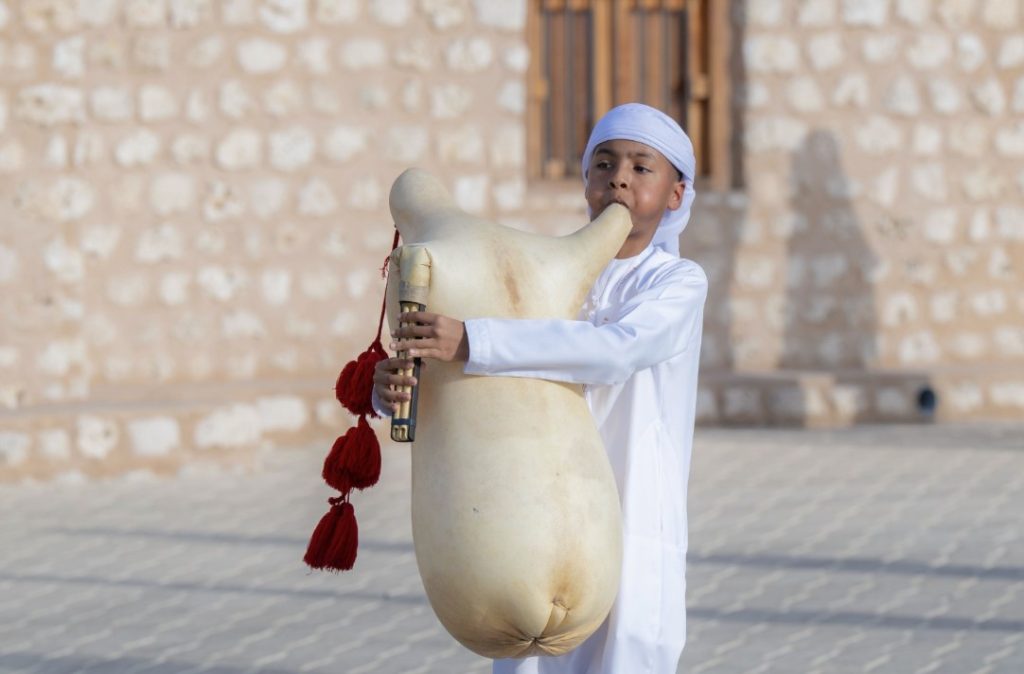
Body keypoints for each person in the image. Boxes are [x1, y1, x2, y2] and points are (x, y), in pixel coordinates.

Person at [373, 103, 707, 674]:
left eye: (641, 166)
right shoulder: (540, 270)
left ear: (677, 194)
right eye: (604, 163)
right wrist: (394, 388)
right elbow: (471, 382)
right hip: (532, 507)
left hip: (633, 507)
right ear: (585, 182)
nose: (619, 177)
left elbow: (619, 350)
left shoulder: (678, 281)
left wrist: (474, 340)